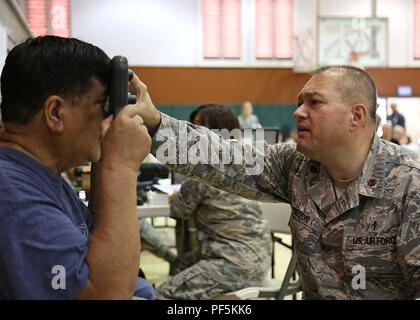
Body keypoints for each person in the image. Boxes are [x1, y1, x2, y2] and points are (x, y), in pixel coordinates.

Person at [133, 65, 419, 300]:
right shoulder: (296, 165)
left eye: (314, 102)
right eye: (299, 103)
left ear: (356, 115)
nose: (298, 112)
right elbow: (222, 157)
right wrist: (155, 123)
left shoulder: (409, 185)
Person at [0, 36, 154, 299]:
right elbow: (108, 295)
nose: (109, 120)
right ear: (56, 113)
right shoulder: (16, 198)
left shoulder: (38, 175)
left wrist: (106, 161)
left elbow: (102, 251)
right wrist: (122, 168)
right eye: (101, 106)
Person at [155, 104, 272, 300]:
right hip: (256, 258)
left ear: (217, 129)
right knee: (181, 264)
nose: (191, 130)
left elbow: (179, 210)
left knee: (161, 295)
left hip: (231, 262)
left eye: (199, 125)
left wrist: (177, 196)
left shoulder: (204, 167)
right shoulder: (244, 160)